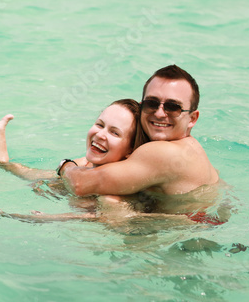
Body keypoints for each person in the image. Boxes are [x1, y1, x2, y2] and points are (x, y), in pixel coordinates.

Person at [59, 65, 225, 223]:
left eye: (173, 107)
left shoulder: (163, 153)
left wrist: (65, 165)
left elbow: (80, 184)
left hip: (188, 242)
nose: (160, 113)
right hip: (207, 228)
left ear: (192, 119)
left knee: (109, 199)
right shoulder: (191, 147)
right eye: (152, 103)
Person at [0, 99, 144, 220]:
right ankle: (1, 161)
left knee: (38, 213)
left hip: (85, 217)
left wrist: (51, 218)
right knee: (45, 178)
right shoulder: (87, 163)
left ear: (129, 151)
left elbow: (99, 218)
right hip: (75, 187)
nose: (100, 135)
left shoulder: (116, 192)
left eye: (114, 132)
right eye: (99, 124)